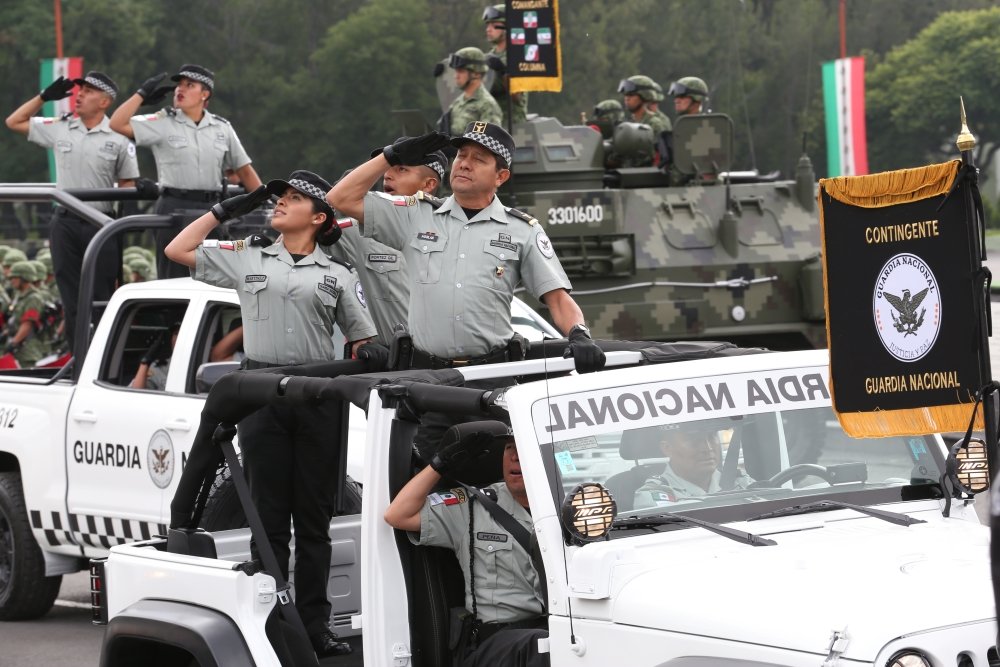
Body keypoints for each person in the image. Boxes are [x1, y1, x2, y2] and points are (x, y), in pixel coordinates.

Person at [165, 169, 378, 659]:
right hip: (260, 393)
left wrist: (370, 354)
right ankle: (273, 624)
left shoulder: (338, 275)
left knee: (314, 519)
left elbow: (362, 338)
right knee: (268, 520)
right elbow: (178, 249)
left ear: (319, 216)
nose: (278, 202)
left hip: (318, 396)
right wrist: (230, 208)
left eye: (292, 198)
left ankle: (314, 624)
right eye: (277, 197)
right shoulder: (249, 256)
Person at [327, 124, 605, 459]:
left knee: (491, 479)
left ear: (500, 176)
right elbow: (339, 198)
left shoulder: (522, 230)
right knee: (423, 490)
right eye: (461, 155)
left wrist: (579, 333)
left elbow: (557, 298)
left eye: (479, 159)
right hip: (428, 381)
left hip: (489, 380)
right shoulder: (416, 214)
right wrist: (391, 156)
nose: (464, 163)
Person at [384, 422, 548, 667]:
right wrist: (440, 464)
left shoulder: (573, 507)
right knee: (543, 646)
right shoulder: (472, 507)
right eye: (508, 448)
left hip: (553, 629)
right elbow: (397, 515)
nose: (514, 456)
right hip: (494, 643)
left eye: (523, 447)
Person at [5, 71, 140, 348]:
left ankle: (103, 358)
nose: (79, 96)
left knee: (102, 295)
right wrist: (43, 97)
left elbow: (128, 183)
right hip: (64, 222)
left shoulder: (119, 136)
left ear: (104, 102)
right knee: (71, 298)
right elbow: (13, 121)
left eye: (88, 92)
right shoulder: (62, 127)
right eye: (80, 91)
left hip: (100, 223)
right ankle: (78, 357)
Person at [111, 64, 262, 279]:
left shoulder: (222, 127)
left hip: (212, 210)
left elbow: (245, 171)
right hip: (174, 207)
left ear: (205, 94)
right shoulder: (163, 122)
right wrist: (141, 95)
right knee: (173, 278)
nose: (179, 90)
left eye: (189, 85)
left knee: (213, 274)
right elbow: (117, 123)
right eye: (178, 85)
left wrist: (264, 201)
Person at [329, 145, 447, 346]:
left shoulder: (454, 227)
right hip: (387, 364)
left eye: (402, 169)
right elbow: (295, 251)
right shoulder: (354, 232)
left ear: (428, 184)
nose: (388, 175)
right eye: (388, 167)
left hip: (447, 361)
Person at [633, 423, 751, 508]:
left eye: (712, 436)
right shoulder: (653, 496)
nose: (708, 448)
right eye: (693, 439)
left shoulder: (741, 483)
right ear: (667, 448)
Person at [482, 4, 528, 127]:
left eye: (493, 25)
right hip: (491, 124)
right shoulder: (487, 58)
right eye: (487, 25)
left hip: (513, 126)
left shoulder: (518, 57)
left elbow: (517, 98)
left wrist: (503, 72)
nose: (488, 29)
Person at [442, 49, 502, 136]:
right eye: (456, 71)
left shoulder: (488, 105)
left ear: (476, 74)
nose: (456, 76)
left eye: (461, 71)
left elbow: (488, 142)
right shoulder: (457, 103)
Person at [4, 261, 49, 367]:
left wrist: (13, 343)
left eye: (14, 278)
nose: (11, 281)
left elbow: (27, 324)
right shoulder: (20, 296)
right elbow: (16, 321)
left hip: (27, 351)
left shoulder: (33, 298)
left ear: (24, 278)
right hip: (19, 349)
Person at [129, 321, 178, 390]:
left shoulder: (198, 366)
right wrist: (146, 361)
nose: (179, 338)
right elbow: (135, 393)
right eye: (176, 334)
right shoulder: (159, 367)